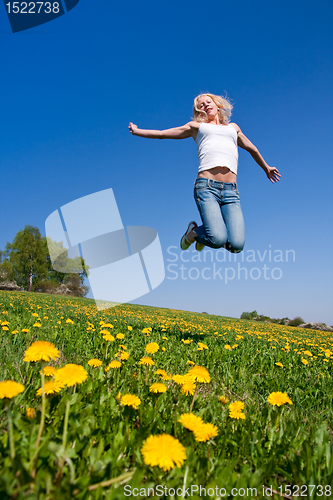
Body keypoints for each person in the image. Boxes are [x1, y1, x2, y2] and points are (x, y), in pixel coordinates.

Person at [128, 93, 280, 253]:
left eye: (209, 102)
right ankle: (192, 235)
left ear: (217, 105)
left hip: (231, 192)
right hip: (207, 189)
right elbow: (162, 134)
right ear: (199, 113)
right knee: (217, 239)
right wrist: (138, 131)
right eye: (201, 105)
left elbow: (252, 148)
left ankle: (204, 234)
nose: (206, 105)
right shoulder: (197, 127)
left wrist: (266, 167)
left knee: (236, 246)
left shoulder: (233, 128)